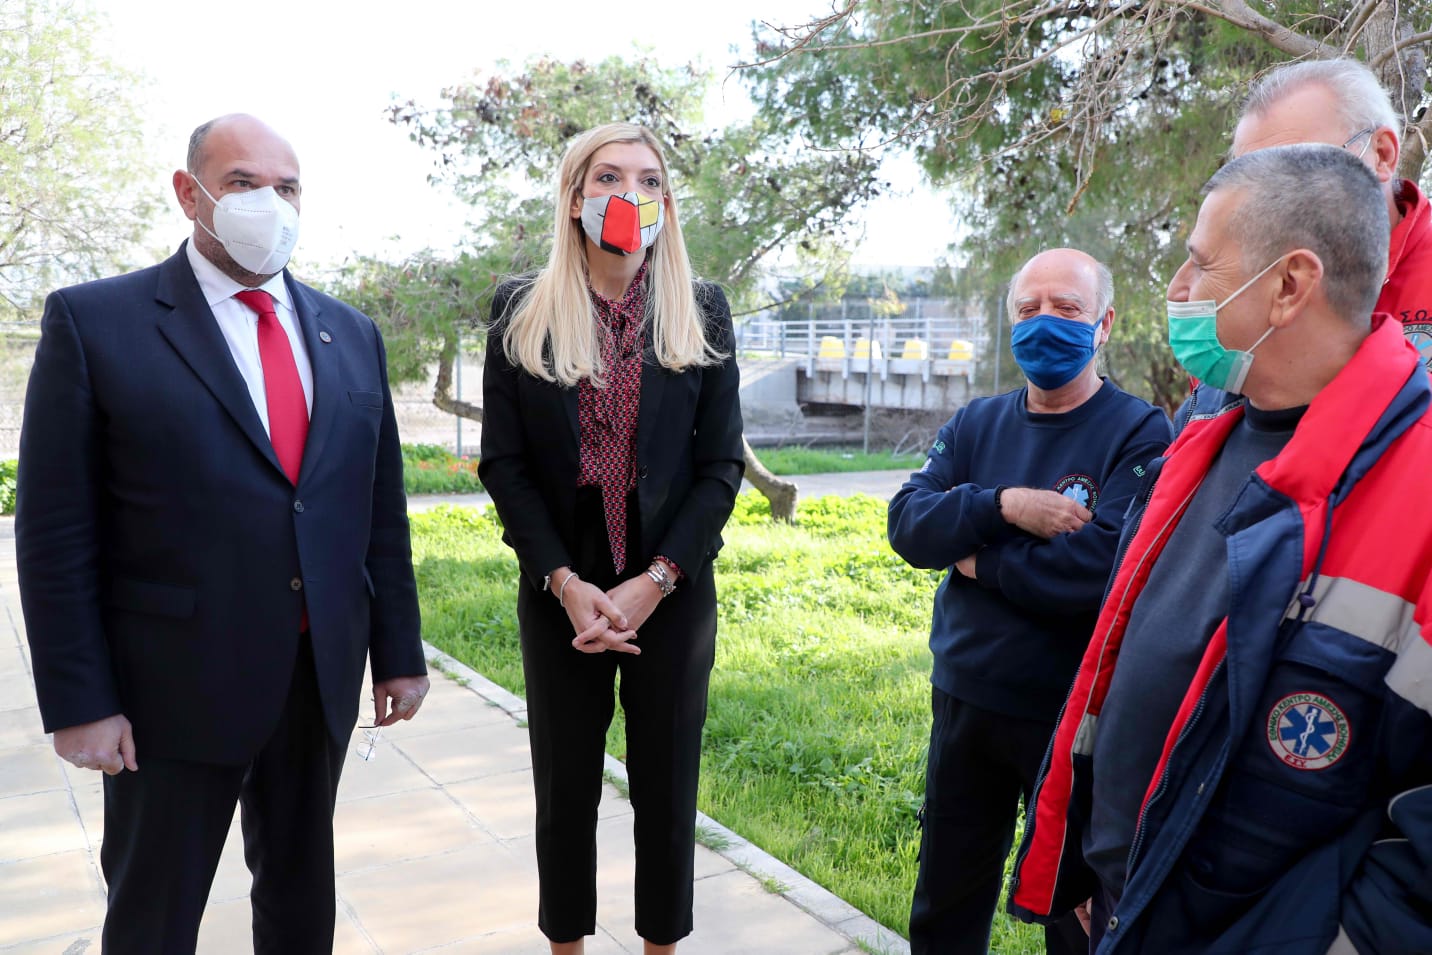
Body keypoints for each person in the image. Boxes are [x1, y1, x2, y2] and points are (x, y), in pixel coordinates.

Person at [15, 113, 429, 953]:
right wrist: (81, 702)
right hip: (170, 692)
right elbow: (55, 532)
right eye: (243, 183)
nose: (268, 202)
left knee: (301, 902)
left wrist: (399, 651)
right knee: (154, 916)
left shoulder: (350, 333)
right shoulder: (96, 323)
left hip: (315, 679)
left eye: (287, 187)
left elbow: (376, 512)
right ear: (189, 192)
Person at [1008, 144, 1432, 954]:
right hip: (1123, 907)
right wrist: (1099, 870)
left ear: (1289, 285)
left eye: (1201, 263)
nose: (1177, 288)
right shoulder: (1204, 433)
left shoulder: (1418, 487)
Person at [478, 122, 744, 955]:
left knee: (667, 787)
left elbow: (721, 466)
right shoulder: (521, 308)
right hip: (564, 574)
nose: (630, 194)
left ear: (667, 201)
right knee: (565, 787)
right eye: (608, 177)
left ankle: (662, 944)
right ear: (574, 198)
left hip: (671, 576)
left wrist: (657, 579)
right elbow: (505, 464)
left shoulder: (701, 308)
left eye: (648, 180)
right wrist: (563, 580)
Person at [887, 248, 1172, 955]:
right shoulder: (977, 423)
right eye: (1028, 308)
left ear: (1104, 323)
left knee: (1071, 910)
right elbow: (909, 524)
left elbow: (1097, 570)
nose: (1045, 322)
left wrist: (975, 557)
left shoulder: (1139, 431)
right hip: (966, 699)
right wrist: (1005, 504)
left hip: (1071, 715)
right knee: (946, 901)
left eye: (1067, 308)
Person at [1177, 57, 1432, 427]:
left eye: (1302, 166)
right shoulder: (1231, 290)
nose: (1273, 200)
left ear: (1382, 154)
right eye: (1250, 181)